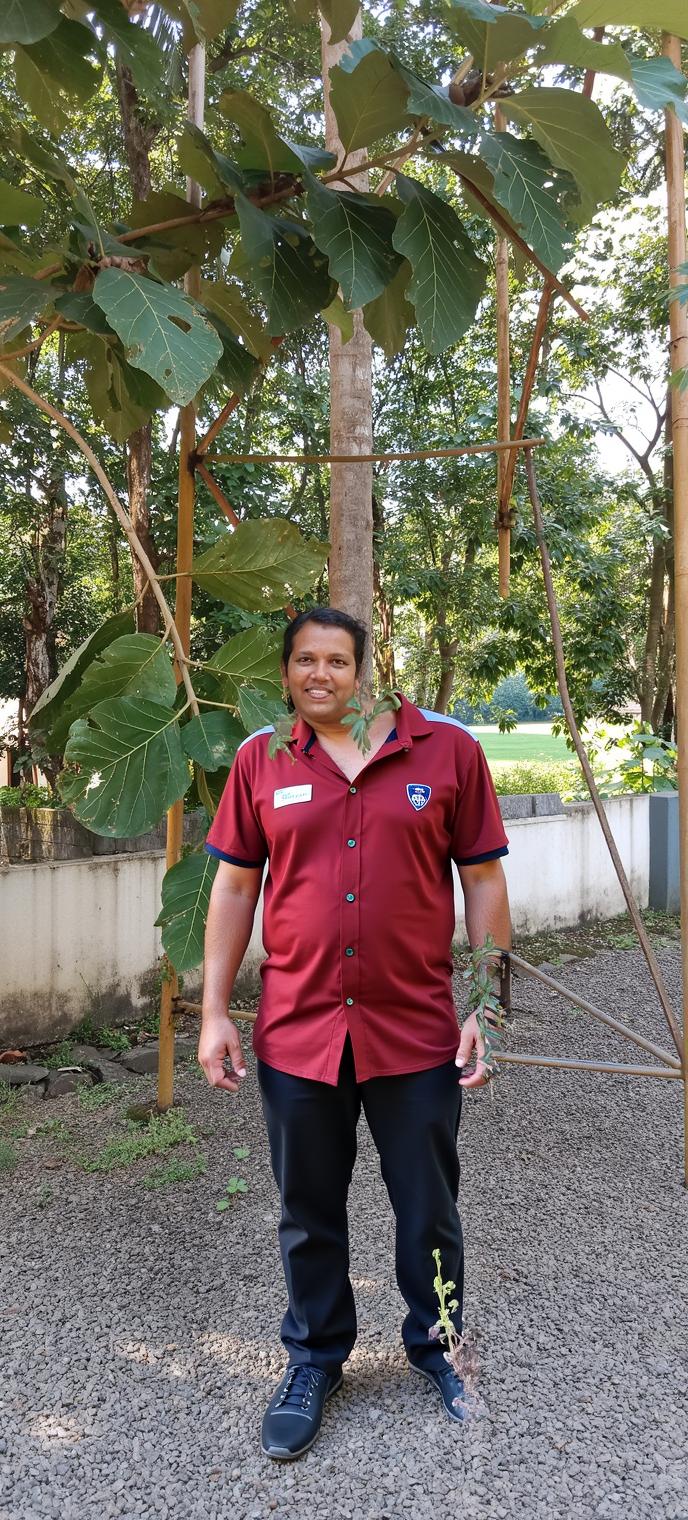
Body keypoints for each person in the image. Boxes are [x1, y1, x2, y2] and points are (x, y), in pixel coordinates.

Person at [199, 607, 511, 1461]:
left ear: (364, 668)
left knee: (429, 1208)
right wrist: (215, 1010)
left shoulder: (445, 753)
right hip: (298, 1033)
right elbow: (231, 890)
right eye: (305, 660)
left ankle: (441, 1344)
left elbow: (482, 881)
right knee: (306, 1212)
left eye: (337, 660)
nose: (321, 675)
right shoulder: (262, 759)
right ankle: (313, 1359)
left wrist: (482, 1002)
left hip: (414, 1033)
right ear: (288, 672)